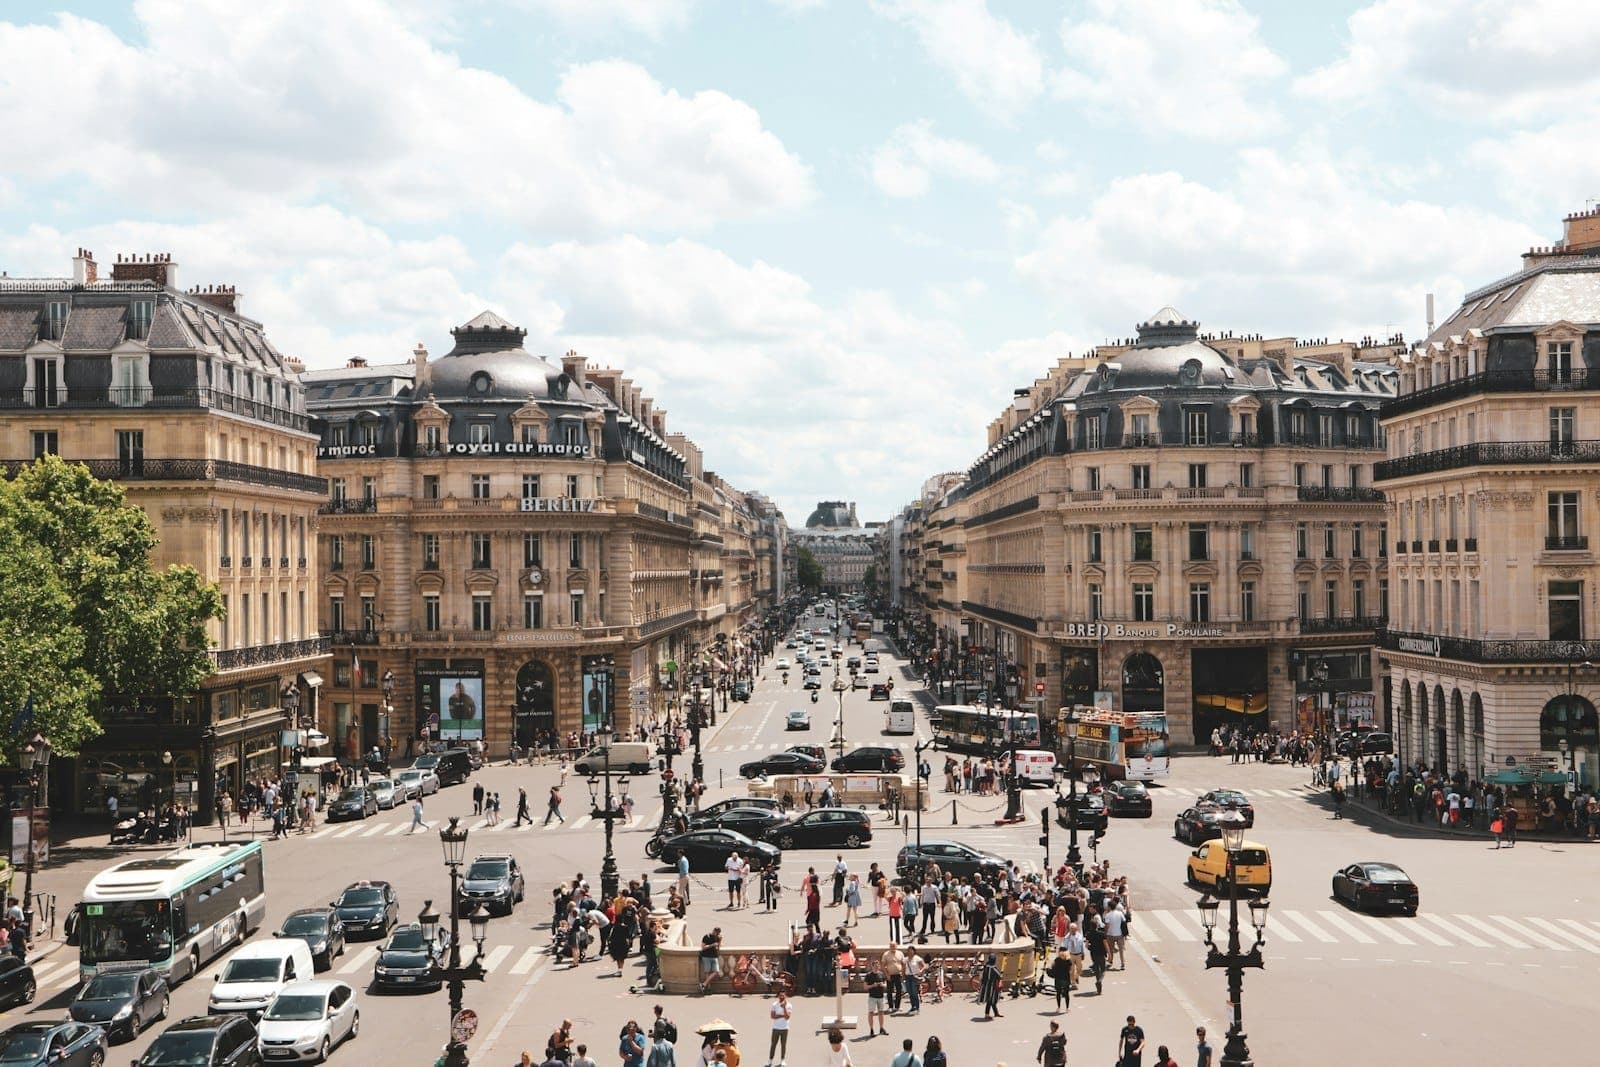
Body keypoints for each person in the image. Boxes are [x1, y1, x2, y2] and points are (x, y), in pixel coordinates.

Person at [766, 989, 792, 1067]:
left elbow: (787, 1017)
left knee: (783, 1045)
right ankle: (770, 1060)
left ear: (785, 996)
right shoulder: (774, 1004)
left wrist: (784, 1008)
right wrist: (782, 1015)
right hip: (776, 1028)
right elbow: (772, 1016)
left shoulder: (789, 1005)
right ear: (778, 996)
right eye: (780, 995)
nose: (781, 997)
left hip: (785, 1028)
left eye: (783, 995)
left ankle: (782, 1060)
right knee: (773, 1045)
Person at [864, 963, 888, 1036]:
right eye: (875, 966)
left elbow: (885, 985)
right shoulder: (868, 975)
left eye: (878, 966)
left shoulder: (882, 974)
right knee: (871, 1012)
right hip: (872, 997)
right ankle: (871, 1029)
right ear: (872, 966)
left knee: (881, 1012)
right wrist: (873, 985)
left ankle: (881, 1028)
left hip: (881, 996)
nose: (877, 967)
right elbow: (865, 987)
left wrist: (882, 985)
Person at [1046, 947, 1072, 1013]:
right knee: (1066, 994)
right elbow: (1071, 970)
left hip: (1058, 978)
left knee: (1058, 993)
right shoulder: (1068, 961)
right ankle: (1067, 1008)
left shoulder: (1057, 960)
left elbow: (1052, 966)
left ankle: (1058, 1007)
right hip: (1066, 978)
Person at [979, 953, 1002, 1018]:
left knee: (992, 1000)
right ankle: (987, 1014)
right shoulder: (993, 968)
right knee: (990, 1000)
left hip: (986, 986)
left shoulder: (986, 966)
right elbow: (999, 976)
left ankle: (996, 1013)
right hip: (992, 986)